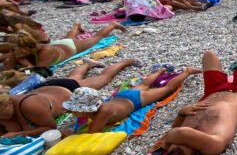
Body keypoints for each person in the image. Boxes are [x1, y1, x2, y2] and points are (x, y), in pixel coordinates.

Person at [159, 48, 237, 155]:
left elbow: (174, 130)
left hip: (213, 90)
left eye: (176, 143)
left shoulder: (180, 139)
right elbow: (177, 133)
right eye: (187, 142)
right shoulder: (214, 144)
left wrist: (181, 112)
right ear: (196, 152)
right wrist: (169, 140)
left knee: (208, 55)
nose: (181, 141)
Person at [0, 59, 139, 137]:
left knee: (104, 78)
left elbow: (50, 127)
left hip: (65, 91)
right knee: (75, 77)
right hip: (46, 90)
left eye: (3, 114)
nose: (3, 118)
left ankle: (124, 62)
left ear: (8, 103)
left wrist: (17, 134)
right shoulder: (6, 108)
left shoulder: (29, 106)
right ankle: (87, 64)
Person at [63, 66, 201, 134]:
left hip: (135, 100)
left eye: (75, 110)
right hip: (123, 96)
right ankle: (160, 71)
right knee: (144, 85)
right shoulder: (98, 109)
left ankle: (187, 71)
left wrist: (67, 135)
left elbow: (93, 133)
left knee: (167, 89)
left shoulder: (102, 113)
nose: (73, 113)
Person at [4, 22, 126, 70]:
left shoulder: (45, 51)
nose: (16, 51)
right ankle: (76, 27)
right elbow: (6, 72)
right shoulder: (20, 51)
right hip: (59, 45)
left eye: (19, 49)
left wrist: (25, 63)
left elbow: (38, 73)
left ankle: (112, 25)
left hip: (70, 48)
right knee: (68, 38)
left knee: (97, 38)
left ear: (27, 47)